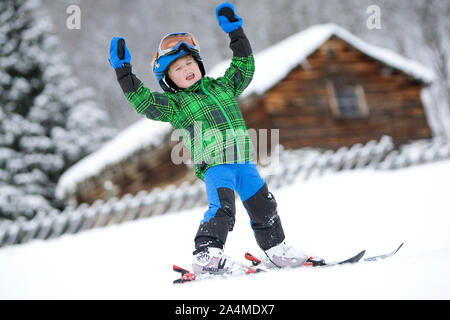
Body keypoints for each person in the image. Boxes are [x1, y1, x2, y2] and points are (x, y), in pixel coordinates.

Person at [109, 2, 310, 274]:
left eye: (190, 62)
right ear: (169, 80)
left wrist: (235, 32)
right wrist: (124, 73)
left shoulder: (222, 86)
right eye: (178, 68)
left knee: (265, 205)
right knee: (223, 210)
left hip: (243, 161)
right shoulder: (175, 104)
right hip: (215, 165)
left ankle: (276, 250)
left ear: (199, 63)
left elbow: (244, 67)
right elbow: (143, 102)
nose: (187, 69)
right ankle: (207, 255)